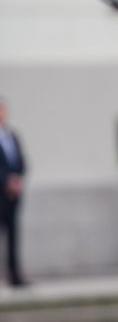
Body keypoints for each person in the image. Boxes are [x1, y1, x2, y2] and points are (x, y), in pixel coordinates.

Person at [0, 99, 26, 286]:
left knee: (13, 237)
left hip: (13, 197)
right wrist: (6, 181)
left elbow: (21, 162)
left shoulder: (12, 136)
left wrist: (17, 180)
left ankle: (14, 275)